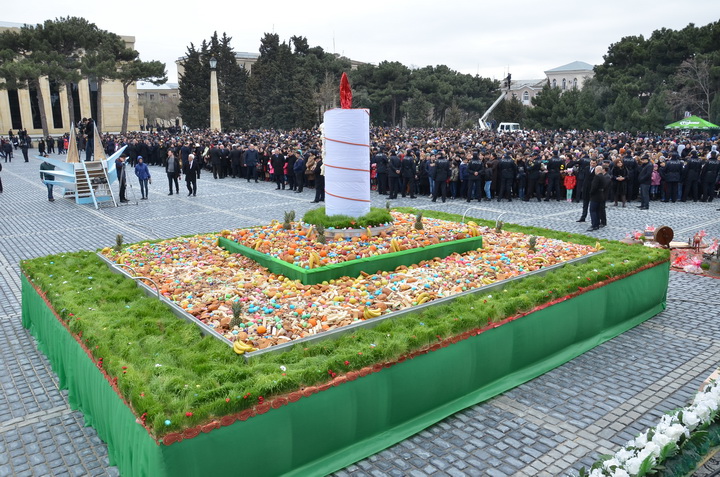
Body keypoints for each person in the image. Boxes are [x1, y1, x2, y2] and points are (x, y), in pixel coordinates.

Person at [588, 165, 610, 232]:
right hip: (601, 195)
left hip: (595, 196)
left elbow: (594, 187)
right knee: (597, 211)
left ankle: (594, 224)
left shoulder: (597, 177)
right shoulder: (603, 176)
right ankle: (597, 224)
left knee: (593, 210)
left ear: (597, 170)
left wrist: (591, 193)